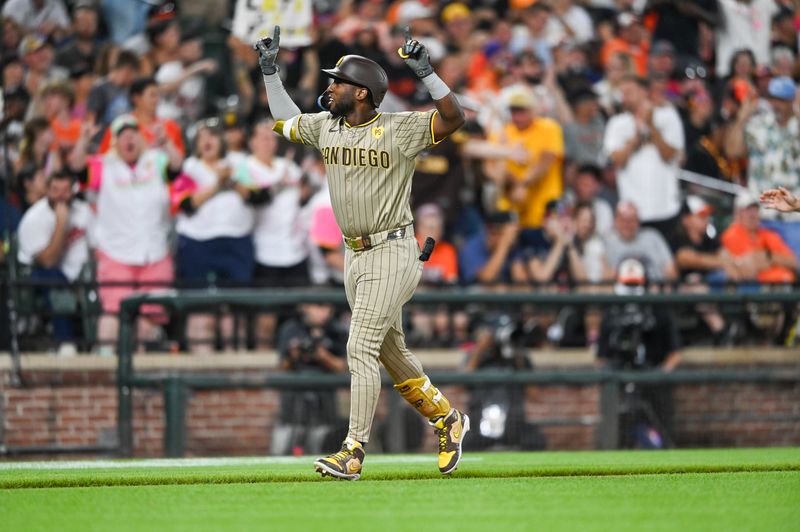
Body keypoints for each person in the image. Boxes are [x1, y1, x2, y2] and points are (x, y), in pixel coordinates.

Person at [256, 25, 469, 479]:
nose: (330, 87)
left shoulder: (399, 128)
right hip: (354, 255)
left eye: (338, 82)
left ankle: (353, 449)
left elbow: (454, 118)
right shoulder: (326, 126)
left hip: (392, 249)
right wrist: (270, 71)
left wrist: (428, 74)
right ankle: (448, 419)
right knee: (392, 352)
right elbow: (283, 120)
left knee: (360, 344)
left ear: (364, 94)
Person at [70, 113, 183, 352]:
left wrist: (167, 144)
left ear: (141, 138)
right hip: (115, 254)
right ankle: (105, 374)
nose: (128, 139)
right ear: (115, 142)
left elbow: (177, 166)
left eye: (133, 133)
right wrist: (83, 141)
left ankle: (146, 381)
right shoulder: (103, 165)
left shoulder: (157, 160)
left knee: (148, 324)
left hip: (155, 253)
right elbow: (77, 167)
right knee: (112, 318)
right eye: (122, 135)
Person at [596, 257, 682, 449]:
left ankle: (662, 451)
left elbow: (675, 353)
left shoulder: (658, 309)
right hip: (620, 381)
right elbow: (600, 359)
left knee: (659, 434)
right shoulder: (611, 311)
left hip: (652, 381)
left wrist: (659, 375)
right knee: (614, 431)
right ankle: (612, 454)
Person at [16, 172, 92, 354]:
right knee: (53, 279)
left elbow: (98, 246)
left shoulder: (84, 211)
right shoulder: (34, 218)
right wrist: (61, 223)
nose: (60, 195)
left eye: (65, 190)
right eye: (55, 190)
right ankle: (67, 343)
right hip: (39, 277)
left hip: (81, 275)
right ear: (47, 191)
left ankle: (100, 344)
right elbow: (49, 262)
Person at [272, 303, 348, 456]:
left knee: (322, 439)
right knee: (285, 437)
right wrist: (293, 355)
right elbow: (282, 367)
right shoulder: (291, 328)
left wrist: (323, 356)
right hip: (294, 392)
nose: (321, 312)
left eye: (324, 307)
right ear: (305, 307)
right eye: (316, 307)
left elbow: (342, 366)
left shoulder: (337, 330)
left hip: (325, 393)